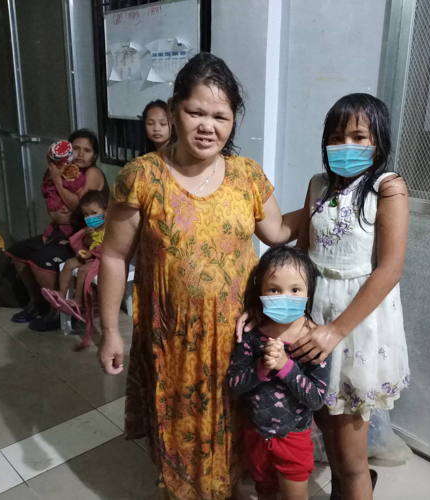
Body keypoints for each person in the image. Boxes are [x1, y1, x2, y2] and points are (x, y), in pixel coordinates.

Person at [98, 52, 302, 499]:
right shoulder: (143, 177)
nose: (207, 126)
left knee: (237, 438)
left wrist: (325, 197)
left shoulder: (247, 176)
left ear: (233, 121)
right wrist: (110, 330)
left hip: (238, 340)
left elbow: (279, 232)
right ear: (174, 111)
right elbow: (113, 256)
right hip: (174, 343)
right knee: (182, 442)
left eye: (220, 116)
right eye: (195, 112)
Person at [237, 93, 410, 500]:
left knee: (347, 455)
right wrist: (264, 307)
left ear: (379, 141)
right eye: (337, 137)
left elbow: (390, 269)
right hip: (311, 321)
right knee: (320, 427)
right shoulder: (318, 185)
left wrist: (335, 331)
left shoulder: (388, 188)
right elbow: (296, 256)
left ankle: (355, 486)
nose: (346, 146)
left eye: (358, 136)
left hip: (354, 327)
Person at [228, 245, 329, 500]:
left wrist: (285, 366)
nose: (285, 297)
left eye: (295, 290)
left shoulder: (313, 341)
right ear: (260, 292)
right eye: (274, 289)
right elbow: (233, 384)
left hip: (293, 438)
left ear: (309, 293)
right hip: (256, 434)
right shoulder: (252, 335)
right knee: (265, 492)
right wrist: (260, 369)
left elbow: (317, 399)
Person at [7, 129, 108, 331]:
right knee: (18, 251)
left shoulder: (92, 174)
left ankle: (58, 312)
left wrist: (55, 177)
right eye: (76, 149)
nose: (80, 154)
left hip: (85, 239)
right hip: (61, 231)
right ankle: (38, 303)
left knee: (40, 260)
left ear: (94, 155)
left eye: (87, 150)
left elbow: (77, 207)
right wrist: (53, 213)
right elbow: (52, 200)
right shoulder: (68, 171)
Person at [41, 189, 108, 322]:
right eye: (86, 214)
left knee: (83, 270)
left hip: (104, 258)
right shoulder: (91, 229)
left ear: (106, 211)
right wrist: (87, 239)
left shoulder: (110, 228)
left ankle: (78, 300)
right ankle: (61, 293)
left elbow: (108, 249)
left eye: (94, 213)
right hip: (91, 256)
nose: (90, 217)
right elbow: (85, 245)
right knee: (69, 263)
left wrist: (91, 253)